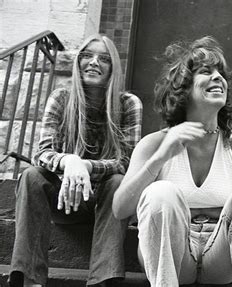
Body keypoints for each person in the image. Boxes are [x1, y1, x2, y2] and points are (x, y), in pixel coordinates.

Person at [112, 36, 232, 286]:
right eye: (205, 71)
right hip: (171, 256)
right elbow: (120, 209)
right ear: (184, 87)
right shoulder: (155, 143)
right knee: (160, 192)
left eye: (221, 72)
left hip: (221, 256)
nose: (218, 77)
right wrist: (160, 158)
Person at [8, 34, 143, 287]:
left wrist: (87, 166)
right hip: (64, 201)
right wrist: (70, 161)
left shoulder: (128, 104)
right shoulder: (61, 98)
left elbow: (126, 161)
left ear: (113, 67)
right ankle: (29, 280)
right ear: (78, 62)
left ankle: (102, 281)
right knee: (31, 175)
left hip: (106, 206)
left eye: (103, 58)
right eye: (87, 55)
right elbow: (43, 153)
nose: (93, 62)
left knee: (118, 180)